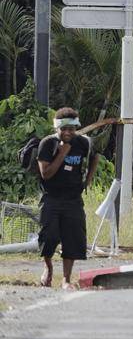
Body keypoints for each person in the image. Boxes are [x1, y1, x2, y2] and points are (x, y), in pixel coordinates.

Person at [36, 108, 98, 288]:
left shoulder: (84, 143)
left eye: (72, 129)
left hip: (73, 199)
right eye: (64, 129)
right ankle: (48, 268)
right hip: (51, 198)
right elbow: (46, 174)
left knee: (72, 238)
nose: (68, 132)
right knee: (49, 236)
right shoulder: (48, 144)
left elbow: (95, 157)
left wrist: (87, 181)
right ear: (57, 128)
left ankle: (66, 279)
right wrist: (62, 153)